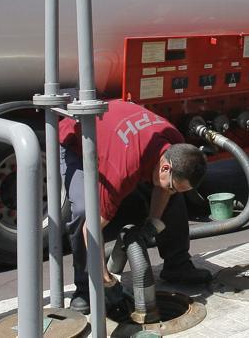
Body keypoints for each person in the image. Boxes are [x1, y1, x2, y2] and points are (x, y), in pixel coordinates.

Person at [59, 99, 212, 314]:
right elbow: (90, 229)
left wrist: (153, 223)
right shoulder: (124, 169)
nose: (172, 189)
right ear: (165, 167)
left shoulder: (174, 142)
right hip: (76, 141)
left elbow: (165, 188)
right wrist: (105, 279)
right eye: (173, 185)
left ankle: (177, 265)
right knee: (85, 212)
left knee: (174, 198)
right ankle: (86, 288)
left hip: (116, 135)